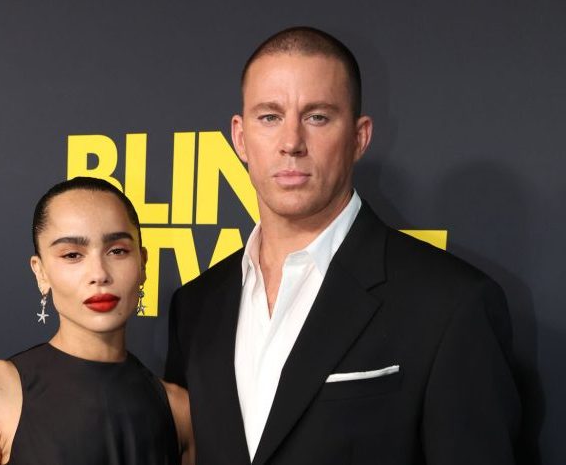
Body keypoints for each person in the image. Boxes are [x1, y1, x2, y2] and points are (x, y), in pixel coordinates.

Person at [165, 26, 520, 464]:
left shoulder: (450, 305)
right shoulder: (195, 306)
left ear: (359, 137)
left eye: (317, 117)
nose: (291, 143)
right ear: (240, 138)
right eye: (270, 117)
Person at [0, 177, 194, 465]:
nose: (99, 274)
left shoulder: (180, 410)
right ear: (41, 272)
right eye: (72, 255)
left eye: (117, 251)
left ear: (142, 264)